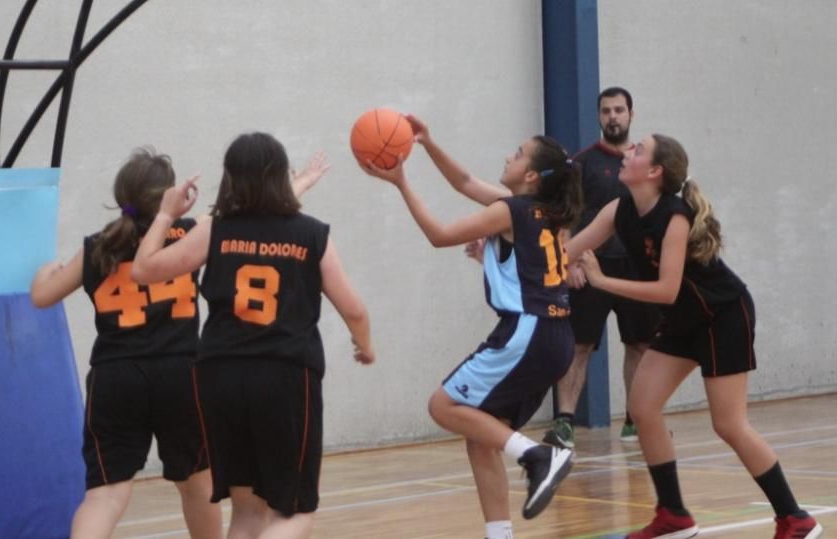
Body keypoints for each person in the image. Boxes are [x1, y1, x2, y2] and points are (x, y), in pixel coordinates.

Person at [30, 146, 328, 539]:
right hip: (182, 375)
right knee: (197, 486)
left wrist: (44, 271)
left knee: (105, 496)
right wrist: (300, 183)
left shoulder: (97, 246)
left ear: (122, 196)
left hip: (115, 378)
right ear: (170, 195)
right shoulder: (190, 232)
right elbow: (252, 219)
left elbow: (43, 297)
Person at [566, 134, 822, 539]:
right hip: (683, 319)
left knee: (730, 425)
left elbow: (666, 289)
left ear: (654, 172)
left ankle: (796, 519)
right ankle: (674, 516)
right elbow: (563, 254)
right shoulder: (618, 210)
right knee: (644, 407)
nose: (628, 150)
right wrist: (501, 244)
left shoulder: (675, 217)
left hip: (723, 316)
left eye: (639, 149)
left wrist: (602, 280)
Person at [130, 132, 374, 539]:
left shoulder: (216, 229)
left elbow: (143, 269)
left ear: (229, 178)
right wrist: (365, 346)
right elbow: (354, 309)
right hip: (285, 377)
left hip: (220, 377)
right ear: (281, 177)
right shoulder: (311, 234)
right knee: (293, 512)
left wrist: (165, 215)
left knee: (245, 513)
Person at [363, 116, 578, 539]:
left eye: (517, 154)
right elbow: (463, 182)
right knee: (480, 434)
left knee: (443, 407)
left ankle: (538, 455)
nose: (508, 156)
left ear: (531, 175)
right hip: (555, 338)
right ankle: (500, 535)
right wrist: (427, 142)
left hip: (528, 332)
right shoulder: (543, 211)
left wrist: (402, 183)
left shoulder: (510, 210)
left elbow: (440, 235)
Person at [545, 86, 662, 450]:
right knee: (577, 346)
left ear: (631, 114)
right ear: (598, 116)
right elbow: (566, 218)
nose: (613, 117)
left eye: (619, 110)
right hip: (591, 268)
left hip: (636, 270)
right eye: (606, 111)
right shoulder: (581, 164)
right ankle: (564, 421)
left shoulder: (645, 165)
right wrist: (572, 262)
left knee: (640, 345)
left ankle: (635, 419)